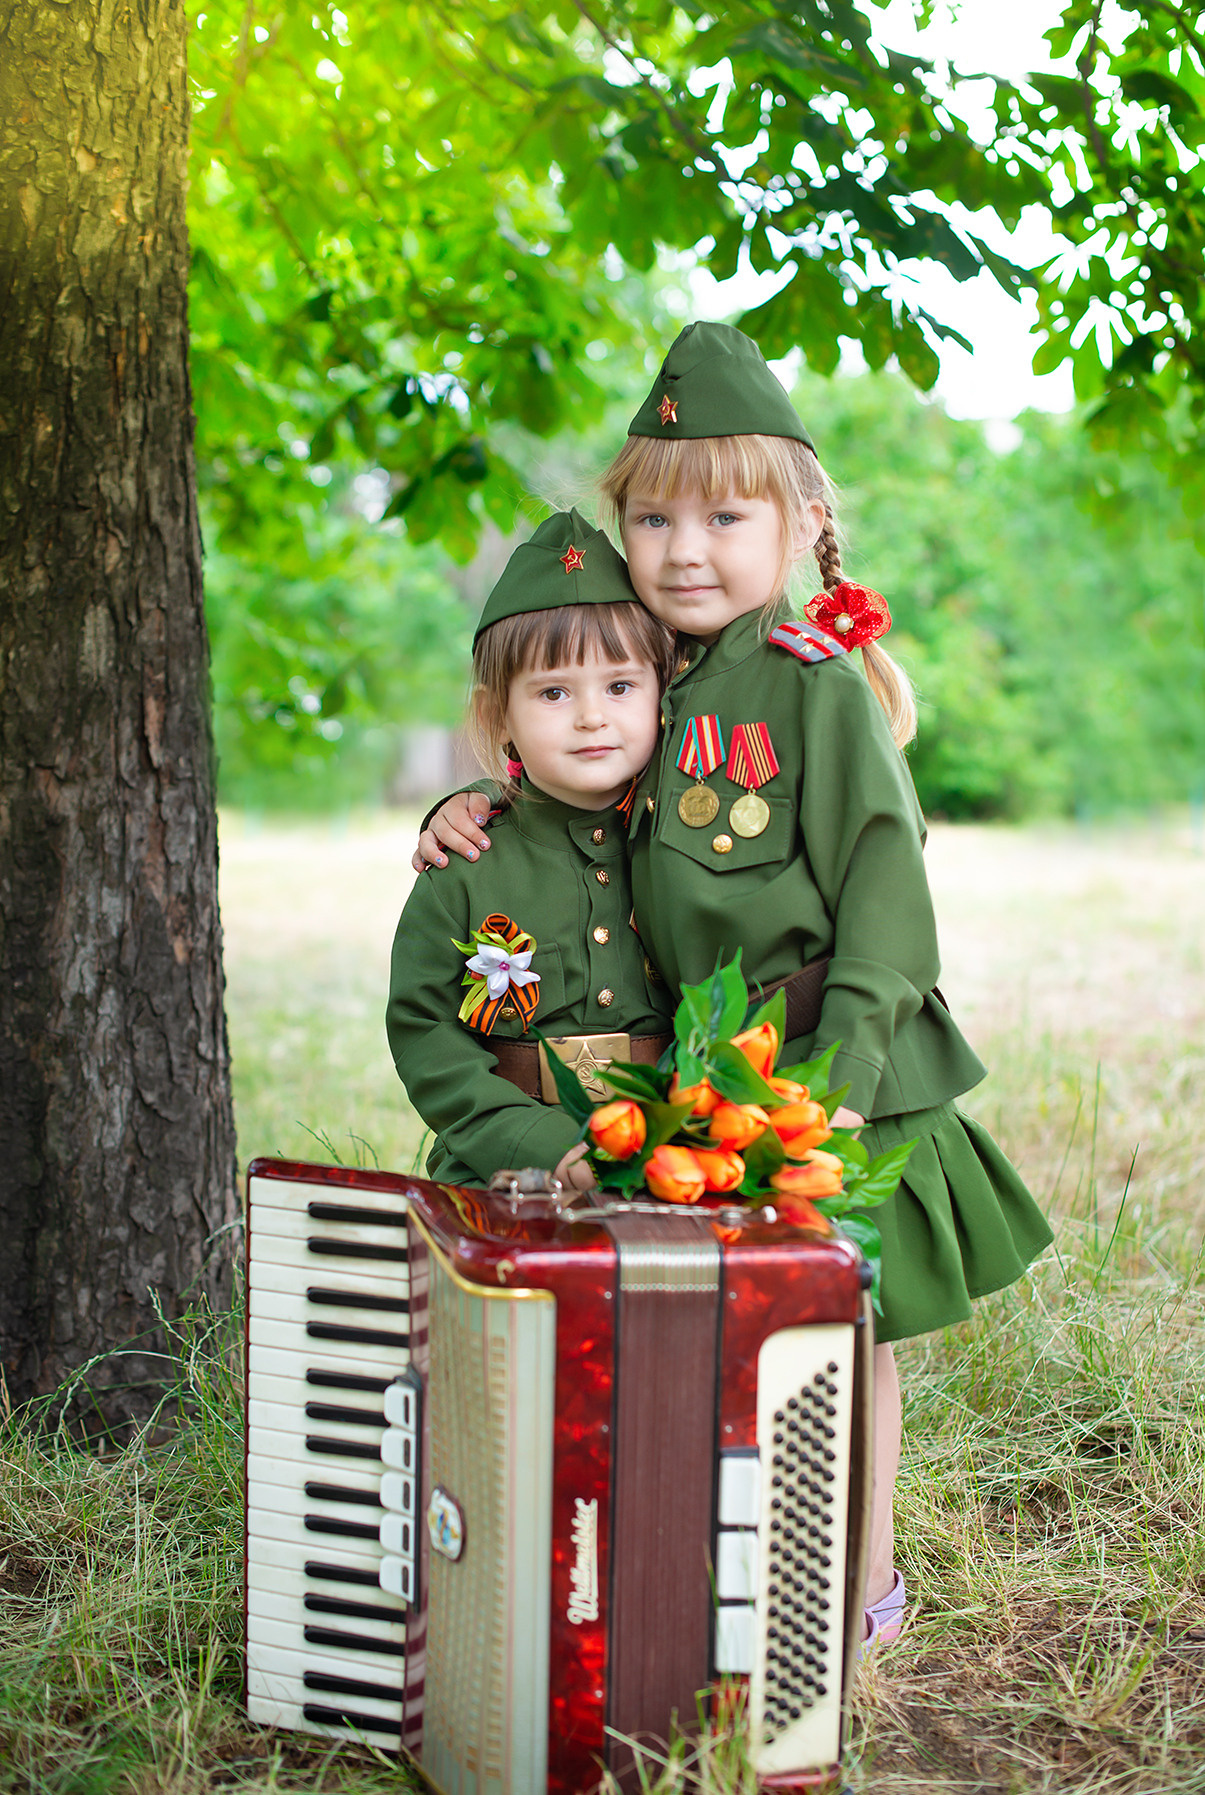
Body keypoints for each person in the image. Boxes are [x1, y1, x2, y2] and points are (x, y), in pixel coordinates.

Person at [412, 322, 1054, 1649]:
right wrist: (471, 804)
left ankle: (858, 1594)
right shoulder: (654, 669)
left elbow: (888, 898)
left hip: (834, 1072)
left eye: (723, 513)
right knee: (726, 1350)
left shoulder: (812, 684)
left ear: (799, 520)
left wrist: (843, 1093)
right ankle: (720, 1582)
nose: (684, 548)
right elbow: (569, 766)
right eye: (653, 517)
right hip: (702, 1093)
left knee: (841, 1335)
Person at [387, 509, 675, 1194]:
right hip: (504, 1167)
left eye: (620, 684)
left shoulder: (682, 843)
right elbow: (426, 1032)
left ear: (664, 693)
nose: (590, 715)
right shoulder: (466, 861)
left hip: (674, 1155)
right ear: (497, 717)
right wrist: (539, 1144)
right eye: (552, 691)